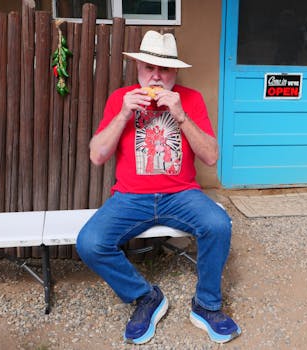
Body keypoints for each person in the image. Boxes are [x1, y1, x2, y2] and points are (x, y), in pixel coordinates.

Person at [76, 30, 241, 345]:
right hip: (130, 197)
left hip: (181, 194)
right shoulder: (120, 99)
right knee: (90, 242)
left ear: (174, 72)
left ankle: (207, 305)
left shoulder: (189, 99)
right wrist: (124, 113)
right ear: (137, 68)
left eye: (164, 69)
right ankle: (146, 296)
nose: (155, 75)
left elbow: (210, 157)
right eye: (149, 67)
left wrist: (180, 115)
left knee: (218, 224)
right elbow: (97, 155)